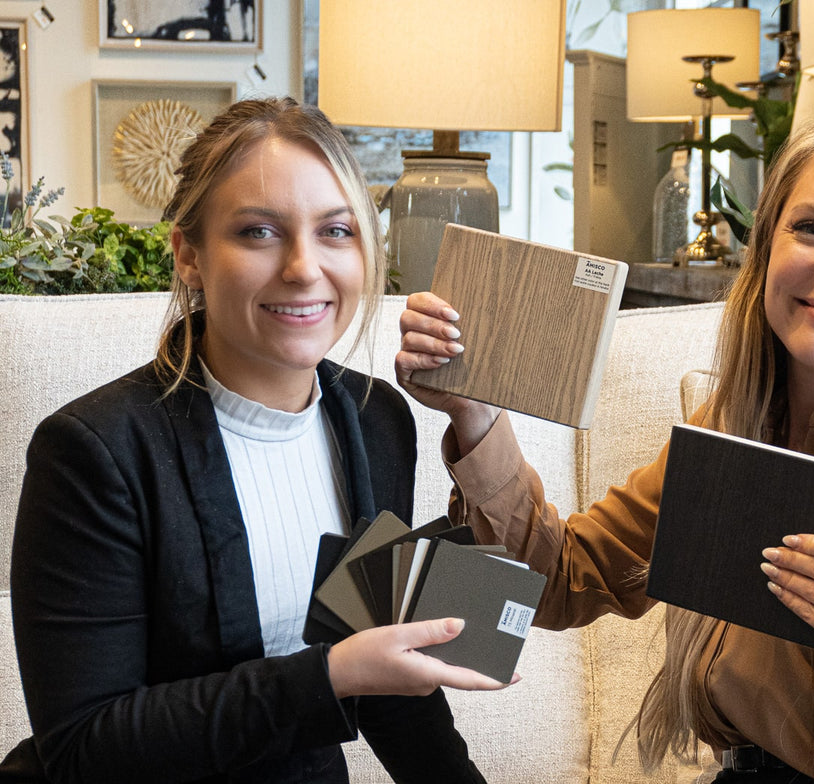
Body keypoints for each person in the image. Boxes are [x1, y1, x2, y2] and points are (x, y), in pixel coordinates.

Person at [395, 108, 814, 784]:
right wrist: (476, 415)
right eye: (811, 228)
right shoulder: (727, 431)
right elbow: (559, 585)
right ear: (767, 250)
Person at [4, 97, 506, 784]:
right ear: (188, 254)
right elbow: (85, 747)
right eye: (259, 232)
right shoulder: (94, 453)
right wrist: (331, 675)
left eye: (336, 231)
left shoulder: (375, 419)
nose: (304, 267)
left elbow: (394, 681)